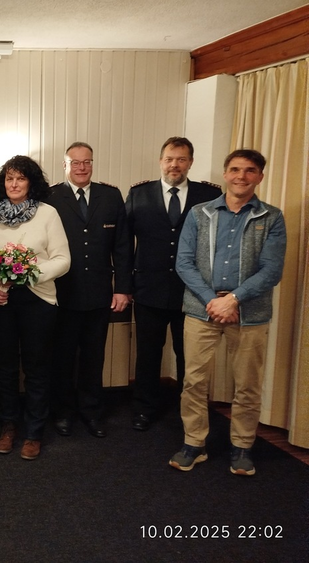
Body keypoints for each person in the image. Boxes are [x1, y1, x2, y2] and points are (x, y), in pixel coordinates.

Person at [170, 149, 286, 476]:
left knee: (248, 384)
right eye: (235, 169)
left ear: (260, 176)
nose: (241, 176)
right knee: (194, 381)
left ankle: (243, 446)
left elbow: (271, 270)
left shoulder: (272, 217)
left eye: (249, 171)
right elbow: (184, 263)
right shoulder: (200, 213)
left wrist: (233, 299)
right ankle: (194, 443)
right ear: (225, 174)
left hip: (249, 314)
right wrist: (213, 300)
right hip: (201, 310)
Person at [125, 137, 222, 431]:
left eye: (181, 159)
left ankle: (189, 411)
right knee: (148, 355)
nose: (174, 165)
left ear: (190, 162)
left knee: (189, 356)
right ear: (160, 161)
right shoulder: (139, 194)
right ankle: (144, 408)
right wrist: (125, 286)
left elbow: (218, 244)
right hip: (148, 290)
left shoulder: (209, 195)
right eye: (169, 159)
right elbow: (124, 244)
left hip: (192, 292)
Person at [0, 156, 70, 460]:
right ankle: (8, 426)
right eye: (9, 178)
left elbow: (63, 260)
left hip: (39, 299)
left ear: (31, 182)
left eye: (20, 178)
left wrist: (27, 273)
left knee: (36, 367)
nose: (14, 184)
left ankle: (34, 432)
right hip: (1, 300)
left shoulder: (48, 214)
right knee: (4, 366)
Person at [47, 141, 133, 438]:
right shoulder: (50, 197)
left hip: (99, 293)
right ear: (65, 165)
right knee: (62, 357)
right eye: (75, 162)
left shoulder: (110, 196)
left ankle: (91, 411)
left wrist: (122, 288)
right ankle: (62, 412)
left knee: (94, 357)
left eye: (87, 162)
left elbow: (122, 246)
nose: (81, 167)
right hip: (62, 293)